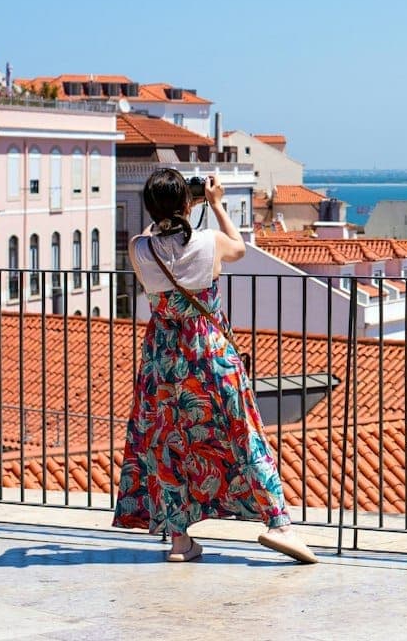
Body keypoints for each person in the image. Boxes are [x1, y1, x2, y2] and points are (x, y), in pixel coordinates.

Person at [113, 168, 316, 564]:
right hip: (208, 352)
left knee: (166, 441)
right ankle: (278, 524)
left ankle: (179, 541)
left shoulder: (140, 248)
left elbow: (156, 275)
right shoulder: (208, 243)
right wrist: (218, 204)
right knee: (243, 431)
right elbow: (238, 249)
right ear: (187, 203)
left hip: (163, 359)